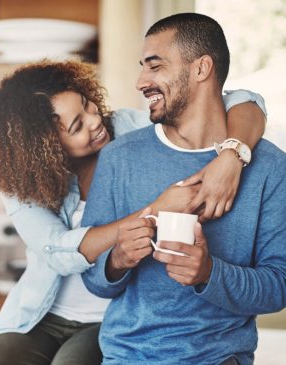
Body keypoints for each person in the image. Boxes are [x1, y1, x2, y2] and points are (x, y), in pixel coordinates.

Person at [0, 59, 266, 365]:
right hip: (41, 315)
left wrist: (232, 155)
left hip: (111, 316)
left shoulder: (127, 128)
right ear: (44, 148)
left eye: (87, 105)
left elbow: (244, 102)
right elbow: (58, 250)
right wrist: (157, 209)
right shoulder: (20, 182)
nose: (94, 121)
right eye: (76, 126)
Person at [81, 13, 286, 365]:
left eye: (155, 66)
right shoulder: (119, 157)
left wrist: (208, 273)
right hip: (126, 356)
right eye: (142, 67)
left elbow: (278, 286)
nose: (141, 81)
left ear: (201, 68)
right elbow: (94, 279)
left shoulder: (269, 167)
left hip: (218, 359)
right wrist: (118, 259)